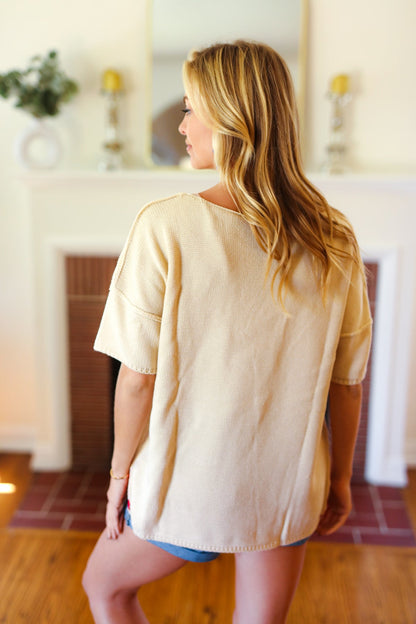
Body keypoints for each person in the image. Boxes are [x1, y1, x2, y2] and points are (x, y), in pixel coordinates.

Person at [83, 40, 372, 624]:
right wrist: (338, 481)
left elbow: (136, 379)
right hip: (287, 487)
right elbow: (346, 385)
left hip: (189, 488)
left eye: (190, 109)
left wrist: (118, 478)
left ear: (230, 117)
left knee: (104, 588)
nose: (182, 125)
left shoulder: (165, 225)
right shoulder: (335, 236)